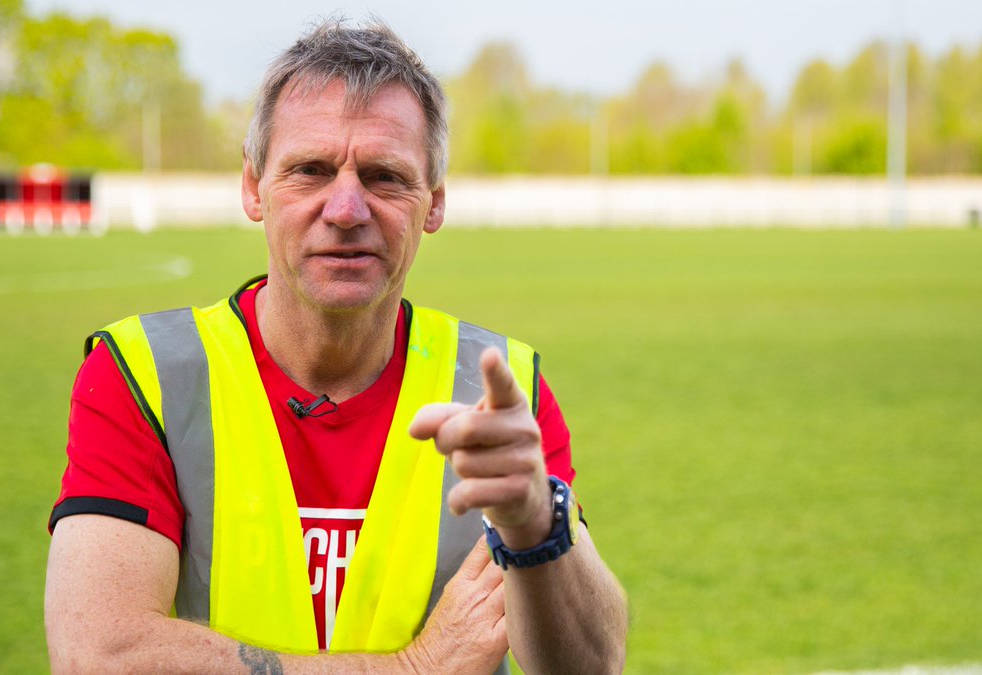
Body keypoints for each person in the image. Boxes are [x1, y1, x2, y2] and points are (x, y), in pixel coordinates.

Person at [44, 18, 627, 674]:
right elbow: (98, 654)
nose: (346, 208)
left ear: (432, 202)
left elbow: (593, 665)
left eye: (383, 176)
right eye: (311, 170)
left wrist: (536, 527)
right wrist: (414, 667)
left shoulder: (498, 394)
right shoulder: (144, 375)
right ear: (252, 187)